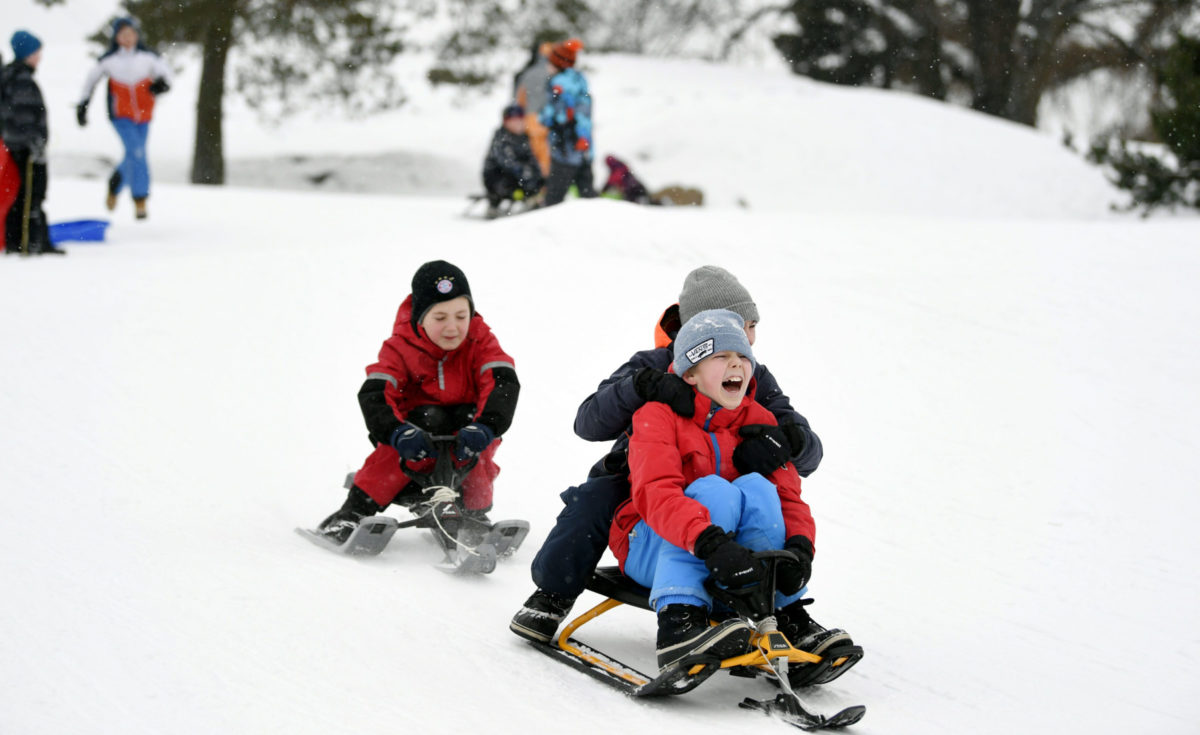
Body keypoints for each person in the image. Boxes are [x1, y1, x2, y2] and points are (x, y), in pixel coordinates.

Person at [511, 267, 839, 656]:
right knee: (596, 500)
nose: (749, 337)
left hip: (718, 478)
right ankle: (553, 594)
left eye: (751, 328)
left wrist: (786, 442)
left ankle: (777, 608)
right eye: (740, 324)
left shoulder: (751, 375)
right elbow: (587, 422)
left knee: (755, 492)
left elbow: (803, 450)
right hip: (644, 471)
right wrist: (641, 387)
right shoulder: (650, 362)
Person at [611, 309, 822, 671]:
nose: (736, 365)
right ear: (690, 372)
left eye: (742, 357)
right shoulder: (656, 415)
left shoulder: (762, 420)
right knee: (714, 490)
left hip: (728, 558)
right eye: (721, 356)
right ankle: (680, 621)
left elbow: (789, 497)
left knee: (758, 488)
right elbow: (656, 493)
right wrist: (709, 542)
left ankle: (783, 612)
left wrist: (800, 548)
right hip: (649, 545)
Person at [315, 260, 521, 543]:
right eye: (440, 318)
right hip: (414, 438)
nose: (452, 327)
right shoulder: (400, 346)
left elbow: (502, 381)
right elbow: (375, 392)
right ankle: (353, 513)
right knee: (410, 436)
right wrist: (396, 431)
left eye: (461, 316)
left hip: (463, 435)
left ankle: (474, 514)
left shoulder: (480, 340)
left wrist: (487, 425)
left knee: (474, 435)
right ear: (420, 318)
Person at [76, 17, 172, 220]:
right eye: (123, 34)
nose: (128, 38)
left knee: (134, 155)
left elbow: (166, 76)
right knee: (137, 154)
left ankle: (115, 185)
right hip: (121, 116)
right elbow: (90, 82)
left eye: (131, 33)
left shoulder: (148, 58)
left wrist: (160, 86)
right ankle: (140, 201)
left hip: (144, 116)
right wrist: (83, 106)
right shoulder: (109, 60)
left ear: (137, 35)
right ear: (117, 38)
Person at [1, 30, 61, 256]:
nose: (40, 56)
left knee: (21, 194)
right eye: (37, 52)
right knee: (32, 194)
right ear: (27, 53)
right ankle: (30, 243)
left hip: (16, 145)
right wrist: (35, 143)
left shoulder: (12, 75)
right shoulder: (22, 80)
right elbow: (24, 116)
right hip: (26, 148)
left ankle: (19, 241)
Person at [538, 39, 596, 206]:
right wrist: (584, 137)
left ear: (558, 63)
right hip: (583, 149)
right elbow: (584, 112)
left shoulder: (558, 84)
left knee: (554, 198)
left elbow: (554, 114)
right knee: (587, 195)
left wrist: (545, 117)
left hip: (565, 147)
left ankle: (547, 230)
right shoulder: (580, 81)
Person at [482, 103, 544, 219]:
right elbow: (507, 162)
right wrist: (525, 174)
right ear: (506, 122)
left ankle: (534, 200)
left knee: (539, 180)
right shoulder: (501, 137)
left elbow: (532, 159)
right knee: (508, 182)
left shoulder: (524, 138)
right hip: (498, 177)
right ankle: (494, 205)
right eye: (514, 120)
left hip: (519, 177)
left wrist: (537, 176)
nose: (518, 124)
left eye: (520, 120)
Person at [513, 42, 554, 178]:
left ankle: (539, 184)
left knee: (535, 153)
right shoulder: (556, 74)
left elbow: (520, 98)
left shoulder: (528, 73)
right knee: (549, 153)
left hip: (531, 119)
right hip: (550, 119)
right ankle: (550, 184)